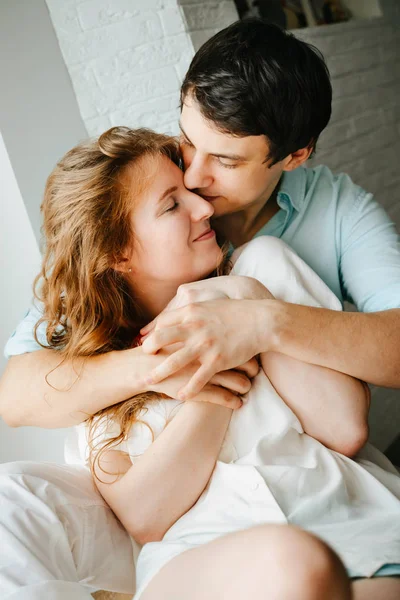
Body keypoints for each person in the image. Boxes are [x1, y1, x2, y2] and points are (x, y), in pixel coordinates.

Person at [0, 16, 399, 598]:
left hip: (343, 519)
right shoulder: (105, 325)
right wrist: (175, 368)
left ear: (294, 155)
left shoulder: (302, 236)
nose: (197, 182)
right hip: (211, 551)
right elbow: (19, 393)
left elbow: (345, 422)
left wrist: (261, 319)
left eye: (227, 161)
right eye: (188, 143)